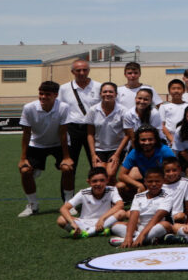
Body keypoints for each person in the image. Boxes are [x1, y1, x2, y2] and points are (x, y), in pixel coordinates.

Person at [18, 81, 75, 217]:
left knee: (67, 169)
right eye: (41, 94)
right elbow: (26, 133)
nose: (43, 97)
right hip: (37, 144)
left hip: (58, 144)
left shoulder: (63, 107)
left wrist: (66, 157)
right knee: (25, 171)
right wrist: (23, 158)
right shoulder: (29, 108)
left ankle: (68, 203)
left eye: (47, 94)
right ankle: (33, 205)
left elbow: (63, 133)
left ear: (55, 95)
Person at [109, 167, 173, 247]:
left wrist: (142, 235)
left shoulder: (168, 196)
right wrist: (128, 236)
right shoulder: (138, 196)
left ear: (163, 181)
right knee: (115, 225)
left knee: (166, 225)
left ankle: (135, 240)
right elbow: (134, 216)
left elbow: (156, 218)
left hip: (155, 226)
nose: (154, 184)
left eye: (157, 181)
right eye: (150, 181)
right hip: (139, 227)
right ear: (145, 182)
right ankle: (144, 240)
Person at [56, 166, 124, 238]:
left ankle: (87, 233)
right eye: (94, 181)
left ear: (107, 180)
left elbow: (120, 205)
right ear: (89, 182)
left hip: (104, 221)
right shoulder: (83, 193)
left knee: (121, 212)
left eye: (102, 180)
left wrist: (102, 219)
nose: (98, 184)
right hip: (85, 222)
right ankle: (98, 231)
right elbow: (64, 208)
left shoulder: (112, 190)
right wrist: (72, 223)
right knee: (61, 220)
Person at [57, 59, 101, 168]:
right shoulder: (64, 88)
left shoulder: (99, 87)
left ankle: (99, 184)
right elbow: (59, 109)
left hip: (93, 129)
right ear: (72, 72)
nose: (82, 73)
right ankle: (67, 186)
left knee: (96, 163)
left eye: (85, 70)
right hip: (72, 129)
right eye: (78, 70)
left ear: (89, 71)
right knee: (69, 165)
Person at [117, 125, 177, 199]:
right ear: (138, 141)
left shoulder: (164, 150)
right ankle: (135, 200)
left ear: (155, 140)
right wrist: (138, 185)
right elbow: (121, 175)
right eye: (143, 140)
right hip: (147, 182)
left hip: (165, 182)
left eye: (150, 139)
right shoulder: (135, 152)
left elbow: (175, 171)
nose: (147, 142)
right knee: (120, 186)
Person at [85, 82, 128, 183]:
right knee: (101, 176)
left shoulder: (123, 111)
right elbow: (90, 134)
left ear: (116, 94)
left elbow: (127, 135)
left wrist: (117, 154)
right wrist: (93, 154)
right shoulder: (93, 110)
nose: (107, 94)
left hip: (116, 148)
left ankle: (115, 197)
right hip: (99, 149)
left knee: (110, 174)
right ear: (100, 94)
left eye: (110, 92)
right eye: (105, 91)